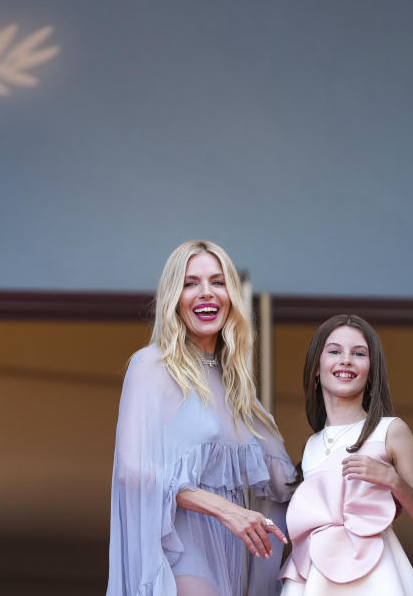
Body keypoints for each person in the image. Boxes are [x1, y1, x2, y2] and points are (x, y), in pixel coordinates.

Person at [107, 240, 295, 596]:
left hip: (235, 559)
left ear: (232, 296)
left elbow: (285, 482)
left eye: (218, 282)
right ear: (174, 297)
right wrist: (225, 509)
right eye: (191, 283)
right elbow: (132, 471)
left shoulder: (239, 387)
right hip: (179, 551)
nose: (205, 293)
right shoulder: (151, 366)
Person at [280, 314, 413, 595]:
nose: (346, 359)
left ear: (371, 371)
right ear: (316, 367)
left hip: (376, 578)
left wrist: (393, 480)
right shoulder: (311, 446)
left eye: (359, 353)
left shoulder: (391, 431)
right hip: (315, 578)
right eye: (334, 351)